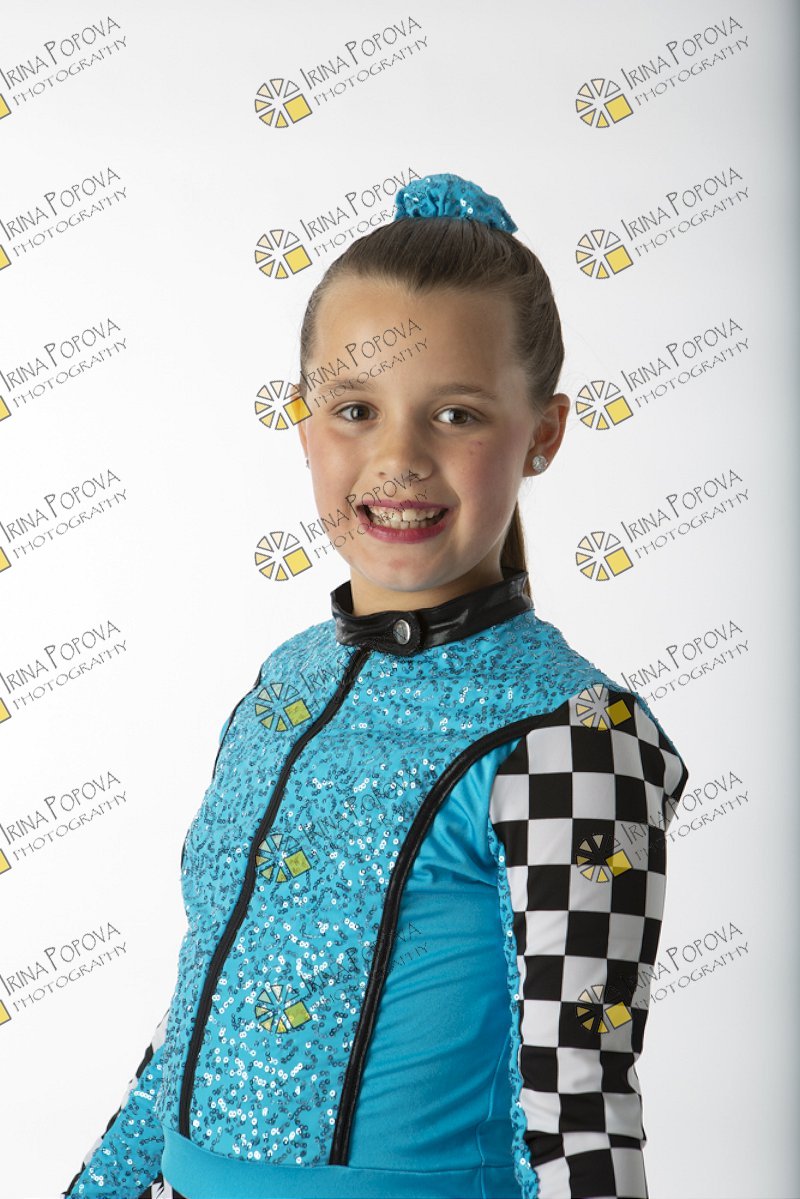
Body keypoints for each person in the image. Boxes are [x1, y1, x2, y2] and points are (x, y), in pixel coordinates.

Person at [62, 172, 689, 1199]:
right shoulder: (287, 685)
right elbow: (192, 1027)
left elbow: (582, 1114)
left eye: (455, 413)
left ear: (542, 433)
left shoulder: (579, 735)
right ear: (305, 425)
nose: (397, 459)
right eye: (355, 409)